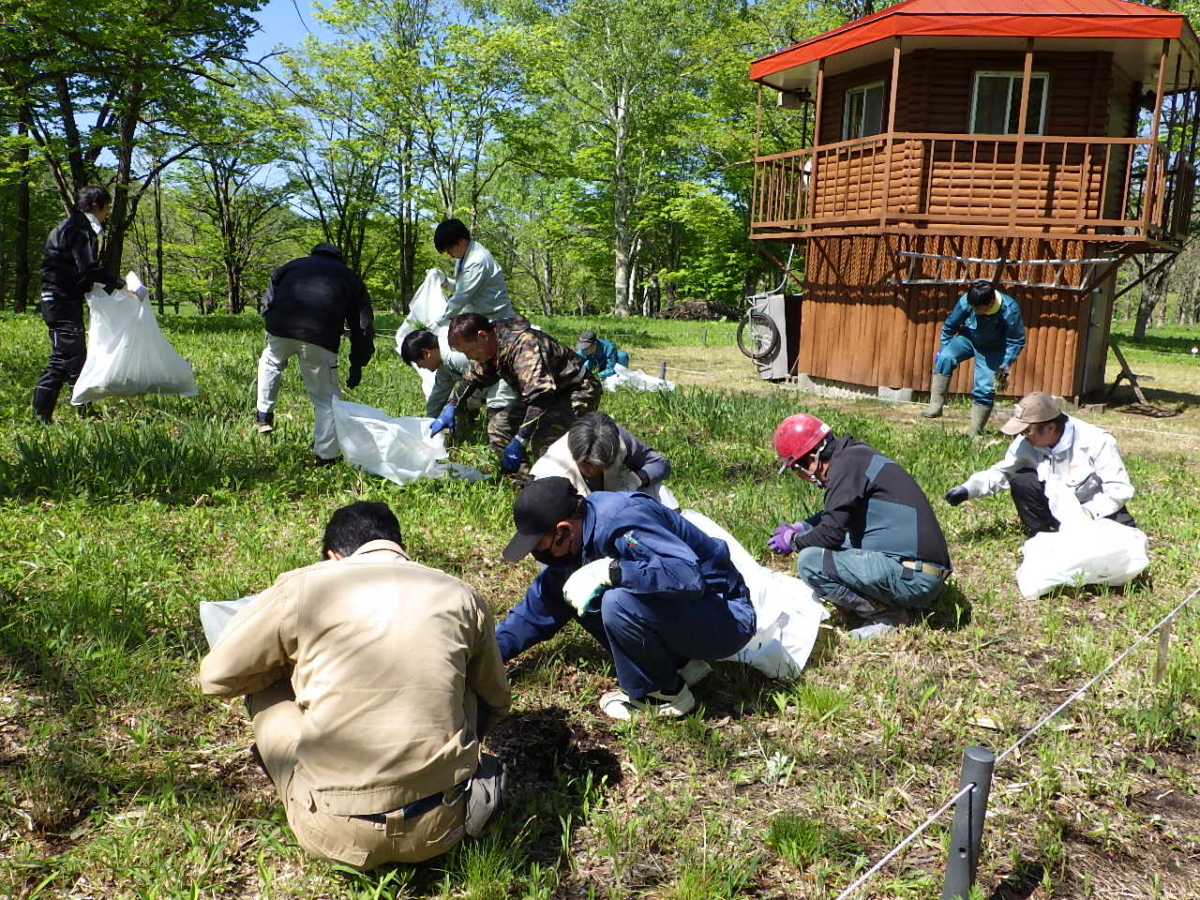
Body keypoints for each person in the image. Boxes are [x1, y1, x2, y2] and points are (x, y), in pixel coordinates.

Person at [199, 501, 510, 870]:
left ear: (332, 556)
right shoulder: (460, 594)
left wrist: (289, 669)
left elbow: (216, 678)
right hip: (440, 826)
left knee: (263, 686)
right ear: (399, 547)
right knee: (470, 683)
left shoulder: (304, 588)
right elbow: (497, 699)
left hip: (333, 831)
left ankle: (303, 786)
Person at [496, 477, 757, 719]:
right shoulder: (577, 541)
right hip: (693, 614)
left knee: (616, 601)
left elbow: (687, 576)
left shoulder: (622, 521)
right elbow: (535, 612)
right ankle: (683, 666)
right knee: (577, 589)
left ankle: (661, 696)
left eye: (538, 547)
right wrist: (486, 655)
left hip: (726, 618)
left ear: (563, 530)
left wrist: (615, 571)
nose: (537, 556)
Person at [769, 414, 952, 640]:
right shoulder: (854, 457)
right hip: (921, 570)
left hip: (916, 578)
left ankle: (888, 615)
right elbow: (838, 514)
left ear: (811, 460)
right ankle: (889, 602)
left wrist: (794, 542)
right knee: (840, 543)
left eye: (795, 469)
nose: (799, 476)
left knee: (810, 562)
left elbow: (830, 535)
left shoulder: (844, 468)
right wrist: (803, 526)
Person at [429, 313, 602, 473]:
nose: (468, 357)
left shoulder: (524, 346)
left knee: (544, 439)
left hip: (576, 389)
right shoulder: (491, 345)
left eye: (468, 351)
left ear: (482, 336)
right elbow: (471, 378)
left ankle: (563, 486)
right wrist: (451, 407)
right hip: (543, 393)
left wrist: (520, 440)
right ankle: (525, 481)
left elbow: (540, 399)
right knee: (498, 427)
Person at [944, 392, 1136, 535]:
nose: (1022, 436)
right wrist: (968, 489)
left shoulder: (1096, 441)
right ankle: (1043, 534)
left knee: (1124, 541)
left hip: (1094, 510)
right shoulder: (1025, 442)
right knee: (1021, 480)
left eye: (1027, 431)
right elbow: (1002, 473)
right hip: (1054, 509)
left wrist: (1086, 515)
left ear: (1050, 427)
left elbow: (1119, 490)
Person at [254, 243, 374, 464]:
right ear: (340, 258)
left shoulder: (289, 267)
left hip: (279, 327)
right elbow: (362, 326)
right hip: (320, 336)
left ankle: (263, 415)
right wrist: (357, 363)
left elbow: (267, 302)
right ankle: (326, 456)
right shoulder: (350, 277)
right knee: (326, 399)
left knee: (270, 361)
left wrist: (272, 322)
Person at [32, 185, 123, 424]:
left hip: (61, 299)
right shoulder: (80, 230)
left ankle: (85, 412)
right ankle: (40, 415)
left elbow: (75, 271)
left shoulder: (70, 226)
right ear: (96, 205)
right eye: (106, 208)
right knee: (62, 358)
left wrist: (92, 286)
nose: (106, 213)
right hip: (59, 300)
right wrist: (119, 284)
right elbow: (88, 268)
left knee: (76, 357)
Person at [923, 279, 1026, 437]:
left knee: (985, 388)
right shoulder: (967, 301)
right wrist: (943, 350)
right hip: (968, 339)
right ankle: (935, 406)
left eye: (977, 308)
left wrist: (1005, 365)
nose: (974, 310)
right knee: (945, 358)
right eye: (972, 307)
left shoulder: (1009, 310)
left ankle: (975, 432)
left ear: (991, 302)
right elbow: (950, 327)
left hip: (993, 349)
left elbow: (1016, 340)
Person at [400, 329, 523, 453]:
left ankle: (504, 446)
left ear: (426, 353)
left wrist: (454, 405)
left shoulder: (456, 356)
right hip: (485, 380)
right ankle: (470, 427)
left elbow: (491, 367)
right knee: (458, 403)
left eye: (417, 363)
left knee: (498, 417)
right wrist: (428, 425)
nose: (420, 367)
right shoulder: (442, 363)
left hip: (504, 375)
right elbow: (438, 396)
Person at [530, 412, 674, 505]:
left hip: (615, 506)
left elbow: (660, 464)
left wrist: (635, 479)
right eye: (586, 463)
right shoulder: (549, 475)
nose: (593, 470)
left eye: (601, 465)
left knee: (657, 489)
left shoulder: (616, 438)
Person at [431, 218, 523, 327]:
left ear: (460, 241)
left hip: (497, 321)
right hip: (481, 319)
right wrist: (446, 282)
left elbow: (462, 297)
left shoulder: (477, 260)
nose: (449, 254)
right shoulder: (464, 256)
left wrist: (438, 322)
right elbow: (464, 288)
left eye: (449, 249)